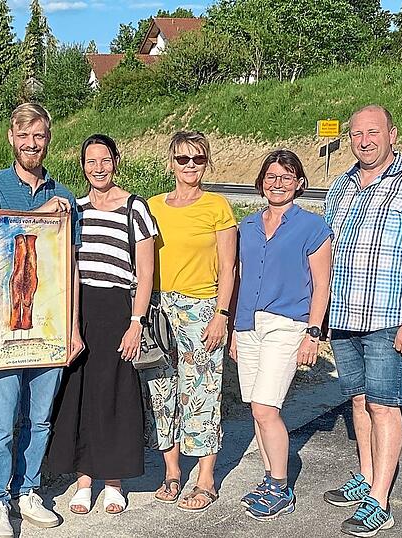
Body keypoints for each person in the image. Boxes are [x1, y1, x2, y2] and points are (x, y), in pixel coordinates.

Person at [323, 105, 402, 537]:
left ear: (392, 134)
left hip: (389, 318)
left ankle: (380, 500)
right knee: (357, 401)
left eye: (373, 132)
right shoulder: (341, 187)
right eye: (356, 134)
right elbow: (326, 253)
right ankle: (366, 476)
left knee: (383, 404)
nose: (364, 140)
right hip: (342, 316)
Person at [0, 102, 84, 537]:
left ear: (48, 140)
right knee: (0, 422)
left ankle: (28, 490)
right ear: (11, 138)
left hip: (50, 326)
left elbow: (69, 265)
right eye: (24, 136)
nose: (31, 144)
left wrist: (73, 327)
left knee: (39, 419)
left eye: (38, 137)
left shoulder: (65, 197)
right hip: (3, 327)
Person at [45, 134, 157, 515]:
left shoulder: (134, 208)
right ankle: (84, 479)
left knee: (115, 394)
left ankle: (114, 482)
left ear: (116, 161)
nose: (98, 167)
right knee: (80, 395)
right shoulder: (74, 209)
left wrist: (136, 322)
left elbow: (146, 272)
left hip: (117, 310)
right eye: (91, 161)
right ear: (82, 165)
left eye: (105, 160)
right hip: (79, 309)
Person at [230, 149, 333, 520]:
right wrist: (233, 331)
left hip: (287, 325)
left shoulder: (312, 227)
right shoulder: (247, 227)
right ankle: (269, 477)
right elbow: (238, 278)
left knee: (266, 407)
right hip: (248, 325)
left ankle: (280, 485)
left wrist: (314, 333)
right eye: (271, 177)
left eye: (286, 178)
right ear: (261, 183)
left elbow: (322, 284)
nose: (278, 184)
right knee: (255, 409)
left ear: (299, 184)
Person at [142, 130, 236, 512]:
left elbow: (229, 268)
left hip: (201, 308)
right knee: (162, 391)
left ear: (207, 162)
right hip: (160, 308)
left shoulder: (217, 206)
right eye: (183, 159)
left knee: (201, 393)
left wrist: (222, 315)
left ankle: (206, 478)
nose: (190, 165)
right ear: (171, 163)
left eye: (197, 158)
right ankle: (171, 471)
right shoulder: (151, 206)